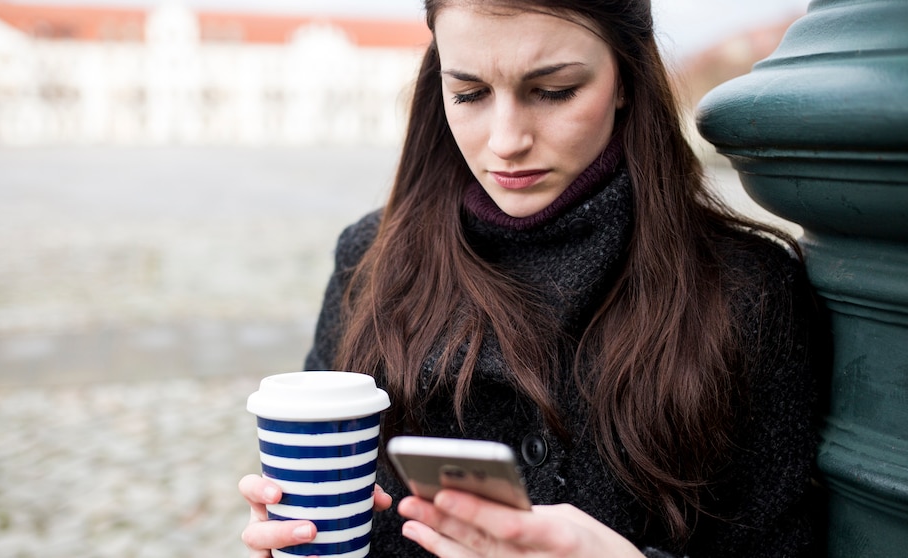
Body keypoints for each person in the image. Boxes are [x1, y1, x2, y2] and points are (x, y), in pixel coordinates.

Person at [240, 0, 825, 556]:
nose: (506, 140)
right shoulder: (369, 260)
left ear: (625, 77)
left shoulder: (748, 291)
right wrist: (292, 543)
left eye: (553, 91)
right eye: (468, 93)